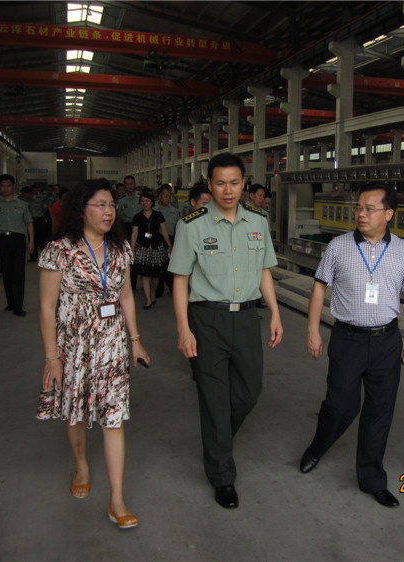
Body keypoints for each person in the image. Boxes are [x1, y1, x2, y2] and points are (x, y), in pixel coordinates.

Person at [168, 152, 283, 510]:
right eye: (220, 183)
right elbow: (180, 280)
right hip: (207, 320)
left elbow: (264, 271)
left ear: (244, 183)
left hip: (247, 319)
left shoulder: (257, 221)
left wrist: (275, 313)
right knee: (214, 398)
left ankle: (217, 439)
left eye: (234, 182)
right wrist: (183, 329)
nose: (228, 190)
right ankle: (222, 475)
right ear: (209, 184)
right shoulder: (192, 224)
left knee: (249, 392)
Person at [37, 178, 150, 530]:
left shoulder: (120, 249)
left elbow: (126, 296)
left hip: (112, 344)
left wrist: (135, 340)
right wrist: (52, 358)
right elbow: (47, 307)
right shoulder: (59, 250)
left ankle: (117, 499)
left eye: (111, 205)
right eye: (100, 204)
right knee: (75, 411)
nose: (108, 211)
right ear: (80, 210)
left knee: (113, 418)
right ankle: (82, 465)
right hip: (74, 345)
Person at [299, 184, 404, 509]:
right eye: (359, 207)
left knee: (380, 410)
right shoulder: (338, 247)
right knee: (340, 405)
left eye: (369, 208)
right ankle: (318, 446)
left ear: (388, 214)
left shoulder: (403, 251)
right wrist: (312, 330)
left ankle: (372, 478)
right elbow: (319, 288)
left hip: (386, 341)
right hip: (348, 339)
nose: (361, 213)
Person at [0, 174, 34, 317]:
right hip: (2, 240)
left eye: (8, 186)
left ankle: (18, 306)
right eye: (3, 186)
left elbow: (29, 223)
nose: (5, 189)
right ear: (0, 187)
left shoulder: (22, 204)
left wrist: (31, 241)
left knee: (18, 273)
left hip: (18, 239)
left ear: (13, 186)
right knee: (6, 272)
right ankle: (11, 302)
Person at [130, 190, 172, 309]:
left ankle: (153, 293)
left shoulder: (158, 215)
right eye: (142, 201)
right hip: (143, 247)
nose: (145, 203)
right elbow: (134, 234)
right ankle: (148, 299)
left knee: (156, 275)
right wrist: (132, 249)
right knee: (144, 274)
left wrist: (169, 245)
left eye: (147, 201)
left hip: (156, 247)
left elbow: (164, 231)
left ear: (152, 202)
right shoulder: (137, 217)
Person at [155, 184, 180, 299]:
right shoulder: (154, 210)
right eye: (165, 196)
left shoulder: (174, 210)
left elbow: (179, 226)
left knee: (170, 265)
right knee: (159, 265)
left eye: (169, 196)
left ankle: (171, 286)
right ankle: (158, 289)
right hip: (158, 240)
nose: (168, 198)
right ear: (159, 196)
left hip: (171, 239)